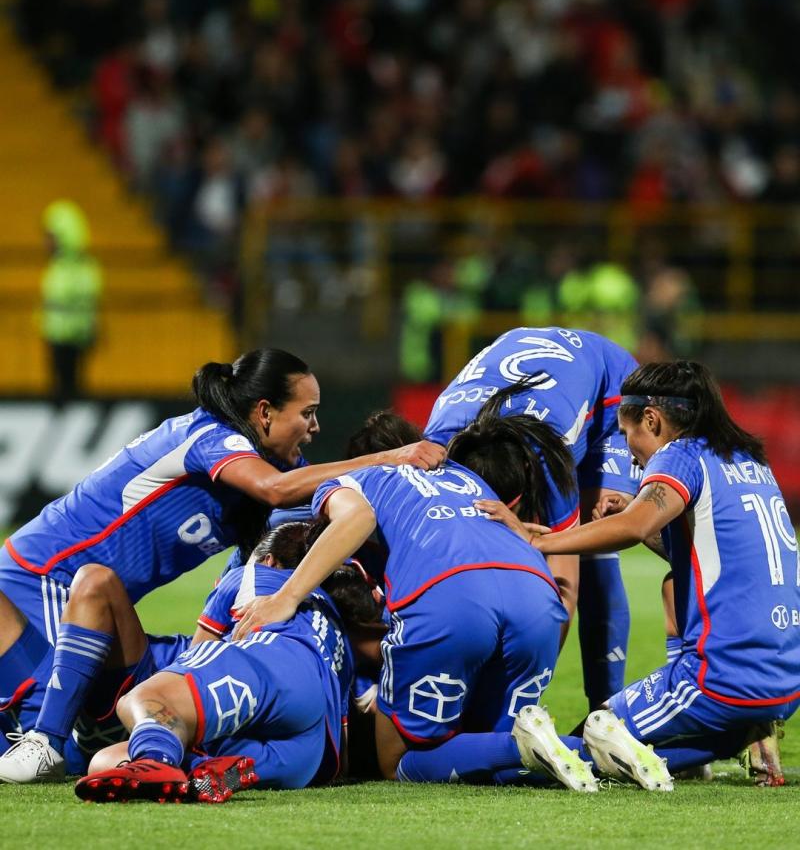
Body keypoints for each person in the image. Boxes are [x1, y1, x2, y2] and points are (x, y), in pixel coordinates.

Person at [0, 348, 443, 782]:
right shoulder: (212, 437)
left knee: (80, 726)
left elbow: (299, 537)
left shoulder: (276, 466)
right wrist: (387, 458)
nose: (315, 427)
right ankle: (46, 740)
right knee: (46, 737)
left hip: (93, 597)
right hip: (42, 578)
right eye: (307, 413)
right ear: (264, 412)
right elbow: (274, 490)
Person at [230, 397, 666, 791]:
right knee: (484, 741)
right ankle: (593, 745)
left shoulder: (356, 478)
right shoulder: (465, 476)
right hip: (536, 593)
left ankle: (522, 748)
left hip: (451, 597)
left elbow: (355, 520)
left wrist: (285, 597)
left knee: (396, 759)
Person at [506, 360, 800, 783]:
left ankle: (727, 723)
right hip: (785, 676)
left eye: (628, 433)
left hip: (723, 676)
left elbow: (634, 526)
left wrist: (542, 540)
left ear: (652, 419)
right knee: (671, 584)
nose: (629, 449)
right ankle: (742, 732)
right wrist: (640, 514)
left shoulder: (680, 454)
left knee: (585, 741)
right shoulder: (748, 460)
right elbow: (709, 556)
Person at [74, 528, 383, 803]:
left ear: (269, 560)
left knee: (142, 700)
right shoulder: (333, 622)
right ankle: (213, 774)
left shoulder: (253, 575)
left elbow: (195, 656)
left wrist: (172, 703)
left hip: (272, 669)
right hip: (310, 752)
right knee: (107, 761)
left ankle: (156, 759)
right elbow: (340, 758)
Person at [423, 326, 640, 709]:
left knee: (595, 544)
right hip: (541, 381)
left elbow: (564, 586)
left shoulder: (548, 458)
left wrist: (521, 693)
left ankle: (607, 713)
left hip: (609, 392)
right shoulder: (435, 451)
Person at [40, 200, 103, 402]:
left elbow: (85, 300)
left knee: (71, 391)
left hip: (73, 340)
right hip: (56, 338)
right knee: (60, 390)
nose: (46, 242)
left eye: (50, 236)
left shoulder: (82, 267)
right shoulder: (58, 265)